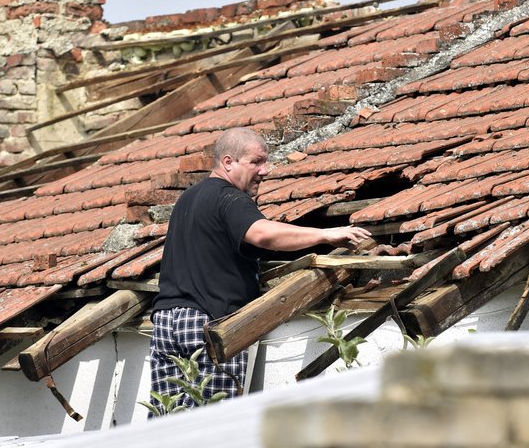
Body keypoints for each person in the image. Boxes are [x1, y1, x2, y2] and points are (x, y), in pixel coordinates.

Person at [148, 127, 371, 415]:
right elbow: (263, 234)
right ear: (228, 162)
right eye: (256, 162)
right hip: (208, 323)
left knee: (167, 424)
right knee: (212, 425)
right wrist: (326, 235)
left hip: (166, 324)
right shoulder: (229, 197)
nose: (264, 171)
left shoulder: (187, 199)